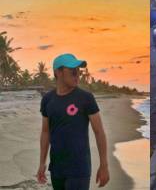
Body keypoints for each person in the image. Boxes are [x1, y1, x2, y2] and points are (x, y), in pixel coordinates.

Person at [36, 53, 109, 189]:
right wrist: (42, 163)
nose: (77, 75)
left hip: (79, 169)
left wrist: (104, 165)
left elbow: (99, 132)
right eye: (73, 71)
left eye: (78, 72)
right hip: (57, 168)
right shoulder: (47, 100)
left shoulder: (86, 98)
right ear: (58, 73)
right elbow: (45, 132)